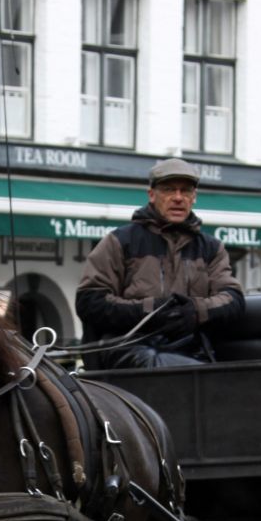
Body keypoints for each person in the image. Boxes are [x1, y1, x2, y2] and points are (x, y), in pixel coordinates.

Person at [75, 158, 245, 369]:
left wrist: (194, 311)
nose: (178, 198)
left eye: (185, 191)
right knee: (187, 372)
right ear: (152, 195)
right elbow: (90, 301)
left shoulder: (211, 248)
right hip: (127, 348)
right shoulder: (120, 241)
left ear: (194, 197)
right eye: (168, 190)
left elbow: (233, 299)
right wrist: (151, 310)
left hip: (188, 348)